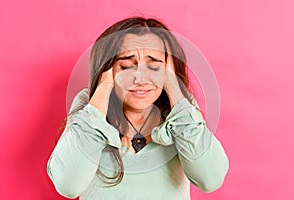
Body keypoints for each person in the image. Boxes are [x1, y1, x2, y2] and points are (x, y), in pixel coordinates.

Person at [47, 17, 229, 200]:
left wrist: (175, 86)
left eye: (154, 66)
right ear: (107, 68)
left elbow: (210, 179)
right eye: (126, 66)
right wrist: (103, 88)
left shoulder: (181, 110)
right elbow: (68, 184)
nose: (140, 79)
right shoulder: (90, 106)